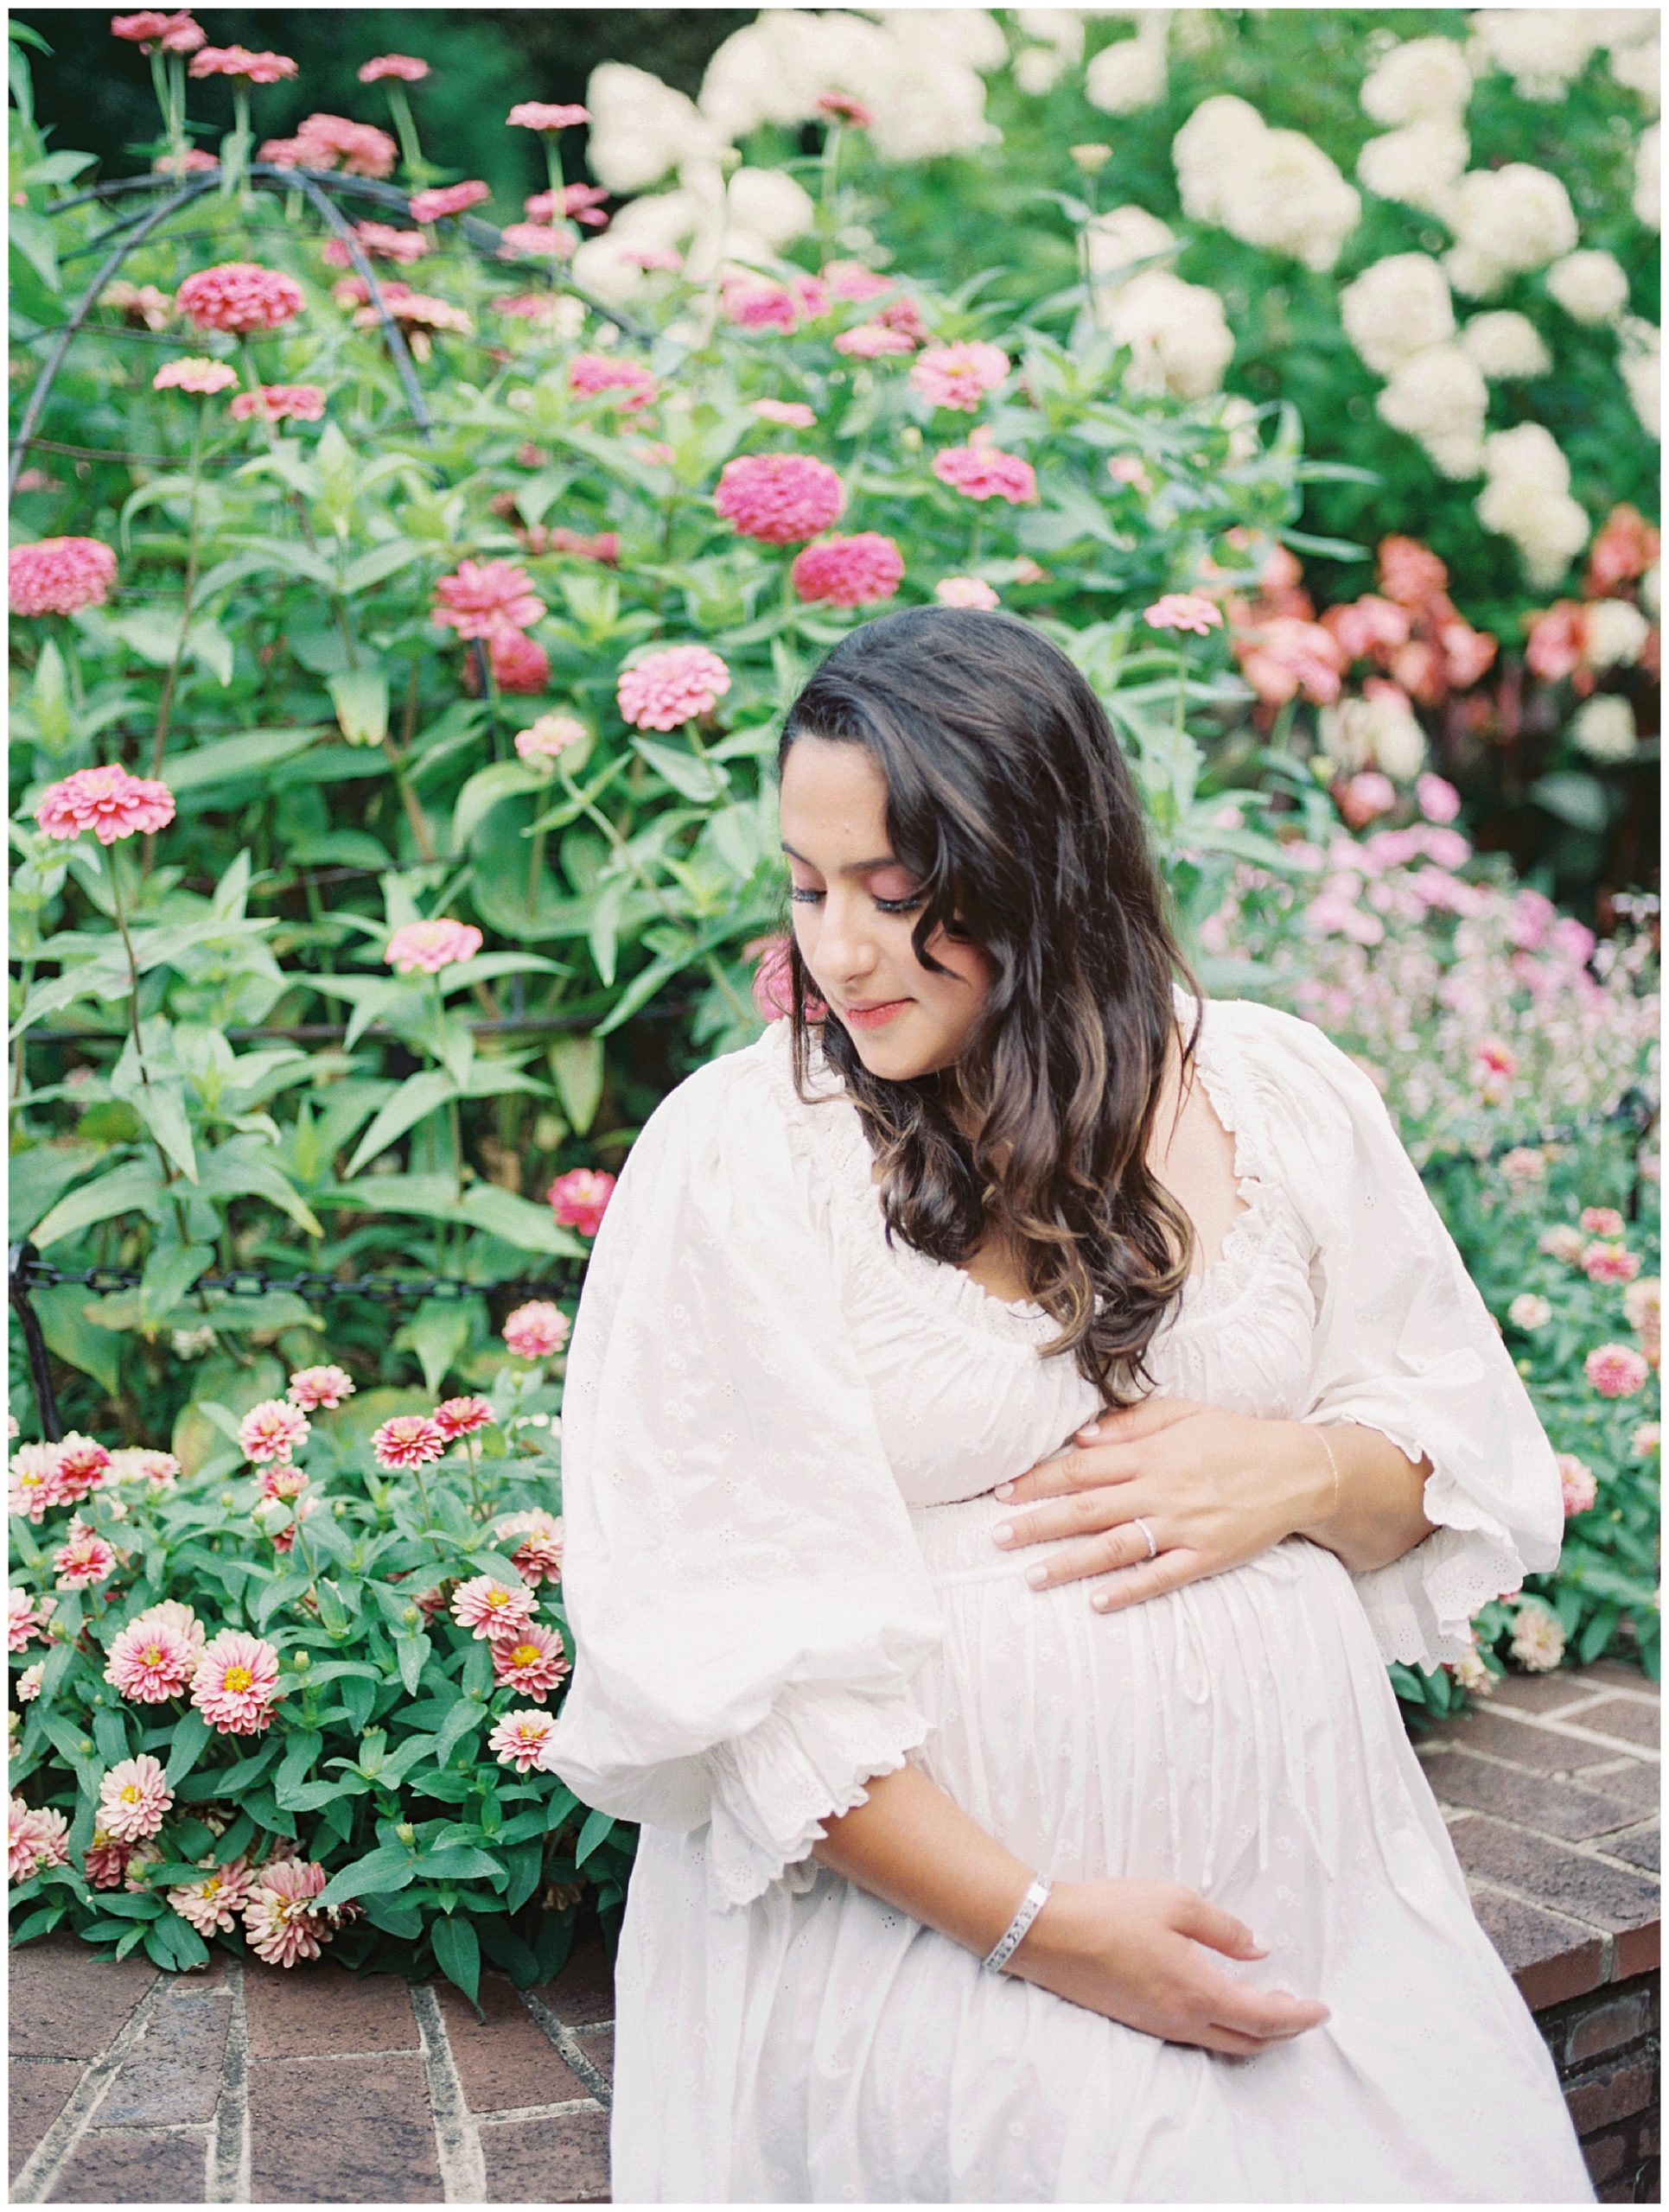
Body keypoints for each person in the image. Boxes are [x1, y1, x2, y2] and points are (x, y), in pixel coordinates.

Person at [545, 607, 1596, 2202]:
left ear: (1045, 872)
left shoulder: (1276, 1092)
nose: (839, 952)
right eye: (810, 886)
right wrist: (1047, 1928)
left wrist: (1305, 1468)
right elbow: (735, 1654)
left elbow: (1448, 1477)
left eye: (901, 898)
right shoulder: (746, 1155)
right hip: (925, 1943)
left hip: (1319, 1906)